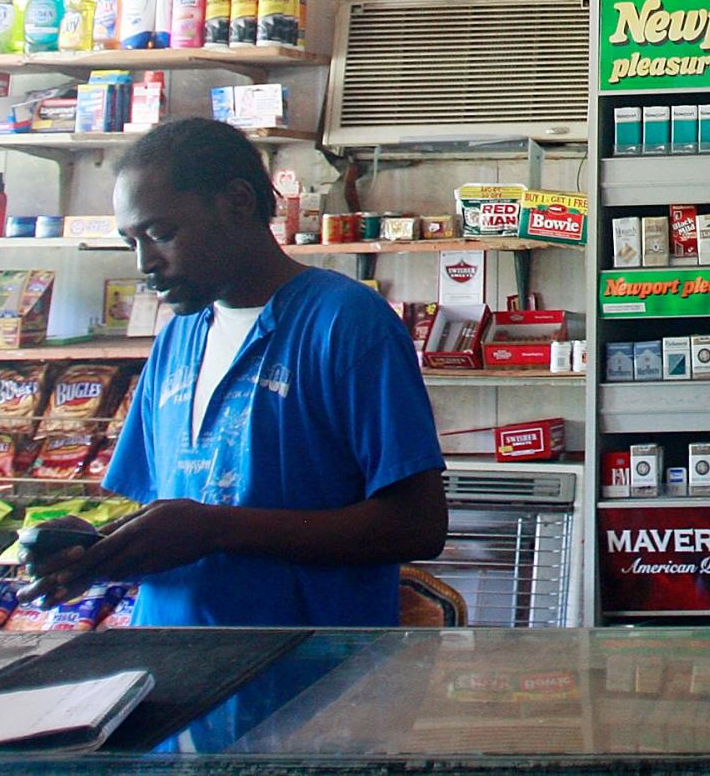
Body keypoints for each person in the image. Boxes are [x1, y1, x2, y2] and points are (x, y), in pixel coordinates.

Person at [24, 118, 447, 625]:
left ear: (238, 202)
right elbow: (177, 509)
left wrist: (216, 530)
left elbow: (417, 526)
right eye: (131, 241)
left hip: (307, 682)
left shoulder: (347, 323)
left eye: (161, 233)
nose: (145, 262)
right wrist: (95, 552)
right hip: (173, 674)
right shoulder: (178, 338)